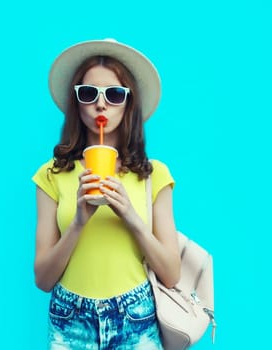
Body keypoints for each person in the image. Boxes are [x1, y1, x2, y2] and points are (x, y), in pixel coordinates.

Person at [32, 39, 181, 349]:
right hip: (69, 322)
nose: (101, 105)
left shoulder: (153, 175)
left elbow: (171, 274)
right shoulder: (52, 174)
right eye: (89, 94)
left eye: (114, 95)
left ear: (128, 103)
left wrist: (130, 215)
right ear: (77, 103)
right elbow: (43, 280)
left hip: (136, 319)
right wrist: (78, 222)